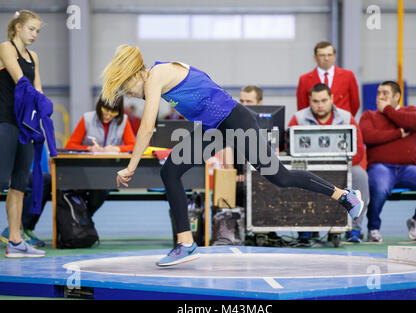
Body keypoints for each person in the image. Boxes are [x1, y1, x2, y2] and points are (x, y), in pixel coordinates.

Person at [101, 44, 364, 267]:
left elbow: (147, 128)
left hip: (235, 121)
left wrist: (130, 166)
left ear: (137, 74)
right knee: (170, 170)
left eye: (128, 88)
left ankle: (344, 195)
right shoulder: (159, 76)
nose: (131, 95)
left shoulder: (157, 75)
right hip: (213, 127)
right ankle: (186, 243)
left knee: (280, 177)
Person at [289, 83, 370, 243]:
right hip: (310, 169)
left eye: (324, 100)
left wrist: (338, 167)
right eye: (315, 101)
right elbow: (288, 149)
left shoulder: (347, 118)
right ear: (309, 101)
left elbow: (359, 150)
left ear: (332, 99)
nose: (320, 105)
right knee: (295, 176)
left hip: (343, 167)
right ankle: (304, 229)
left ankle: (354, 228)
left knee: (360, 175)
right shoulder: (298, 119)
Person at [359, 81, 416, 242]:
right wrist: (397, 133)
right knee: (379, 188)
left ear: (396, 97)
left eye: (385, 93)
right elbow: (367, 136)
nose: (380, 97)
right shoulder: (369, 115)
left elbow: (414, 123)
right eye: (378, 93)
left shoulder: (411, 111)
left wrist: (387, 110)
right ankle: (373, 228)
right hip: (380, 167)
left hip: (408, 169)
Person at [0, 10, 46, 257]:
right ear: (17, 26)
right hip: (4, 122)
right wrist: (38, 98)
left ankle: (15, 241)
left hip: (25, 127)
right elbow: (22, 82)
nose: (35, 35)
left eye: (38, 31)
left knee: (19, 185)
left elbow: (38, 87)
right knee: (1, 181)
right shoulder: (5, 48)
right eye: (31, 29)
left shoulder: (34, 56)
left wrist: (43, 109)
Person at [65, 96, 136, 216]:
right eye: (106, 112)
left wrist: (117, 148)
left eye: (113, 113)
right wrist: (88, 149)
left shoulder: (123, 120)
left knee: (102, 188)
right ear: (99, 107)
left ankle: (83, 219)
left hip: (108, 173)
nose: (108, 116)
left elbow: (134, 146)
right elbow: (70, 145)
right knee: (79, 190)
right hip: (85, 171)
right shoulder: (87, 119)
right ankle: (82, 220)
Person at [296, 41, 360, 116]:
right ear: (315, 58)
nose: (326, 58)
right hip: (314, 125)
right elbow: (302, 108)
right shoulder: (304, 79)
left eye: (329, 55)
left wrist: (345, 119)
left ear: (334, 56)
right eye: (322, 55)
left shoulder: (348, 76)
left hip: (342, 124)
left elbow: (355, 104)